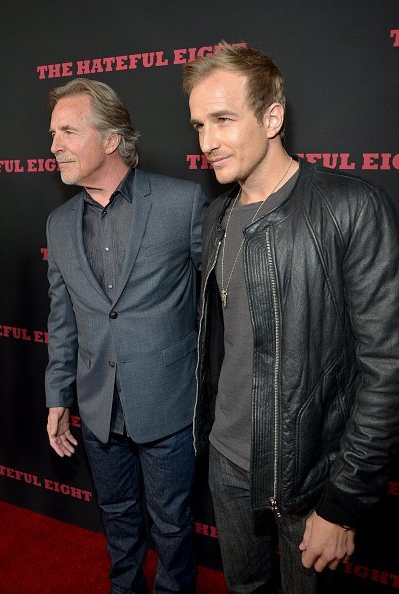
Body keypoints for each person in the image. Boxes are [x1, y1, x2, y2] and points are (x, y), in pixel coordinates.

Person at [183, 42, 399, 593]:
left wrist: (344, 503)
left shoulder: (351, 207)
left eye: (223, 120)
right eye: (199, 124)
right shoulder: (216, 216)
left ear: (272, 117)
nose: (207, 142)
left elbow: (386, 367)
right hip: (227, 463)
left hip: (312, 480)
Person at [45, 77, 206, 594]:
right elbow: (63, 319)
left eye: (68, 131)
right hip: (96, 409)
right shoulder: (58, 223)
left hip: (168, 404)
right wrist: (57, 396)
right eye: (52, 134)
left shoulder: (183, 203)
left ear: (110, 139)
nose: (53, 146)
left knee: (174, 525)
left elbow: (224, 303)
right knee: (116, 517)